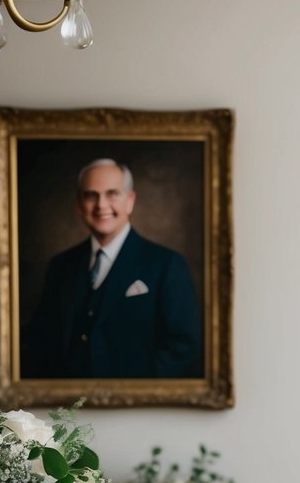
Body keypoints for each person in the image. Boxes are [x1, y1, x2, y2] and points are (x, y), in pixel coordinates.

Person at [21, 158, 202, 381]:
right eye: (91, 195)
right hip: (68, 409)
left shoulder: (167, 265)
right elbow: (42, 342)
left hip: (136, 408)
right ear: (79, 204)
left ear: (130, 200)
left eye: (112, 194)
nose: (101, 205)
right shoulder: (60, 266)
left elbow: (183, 348)